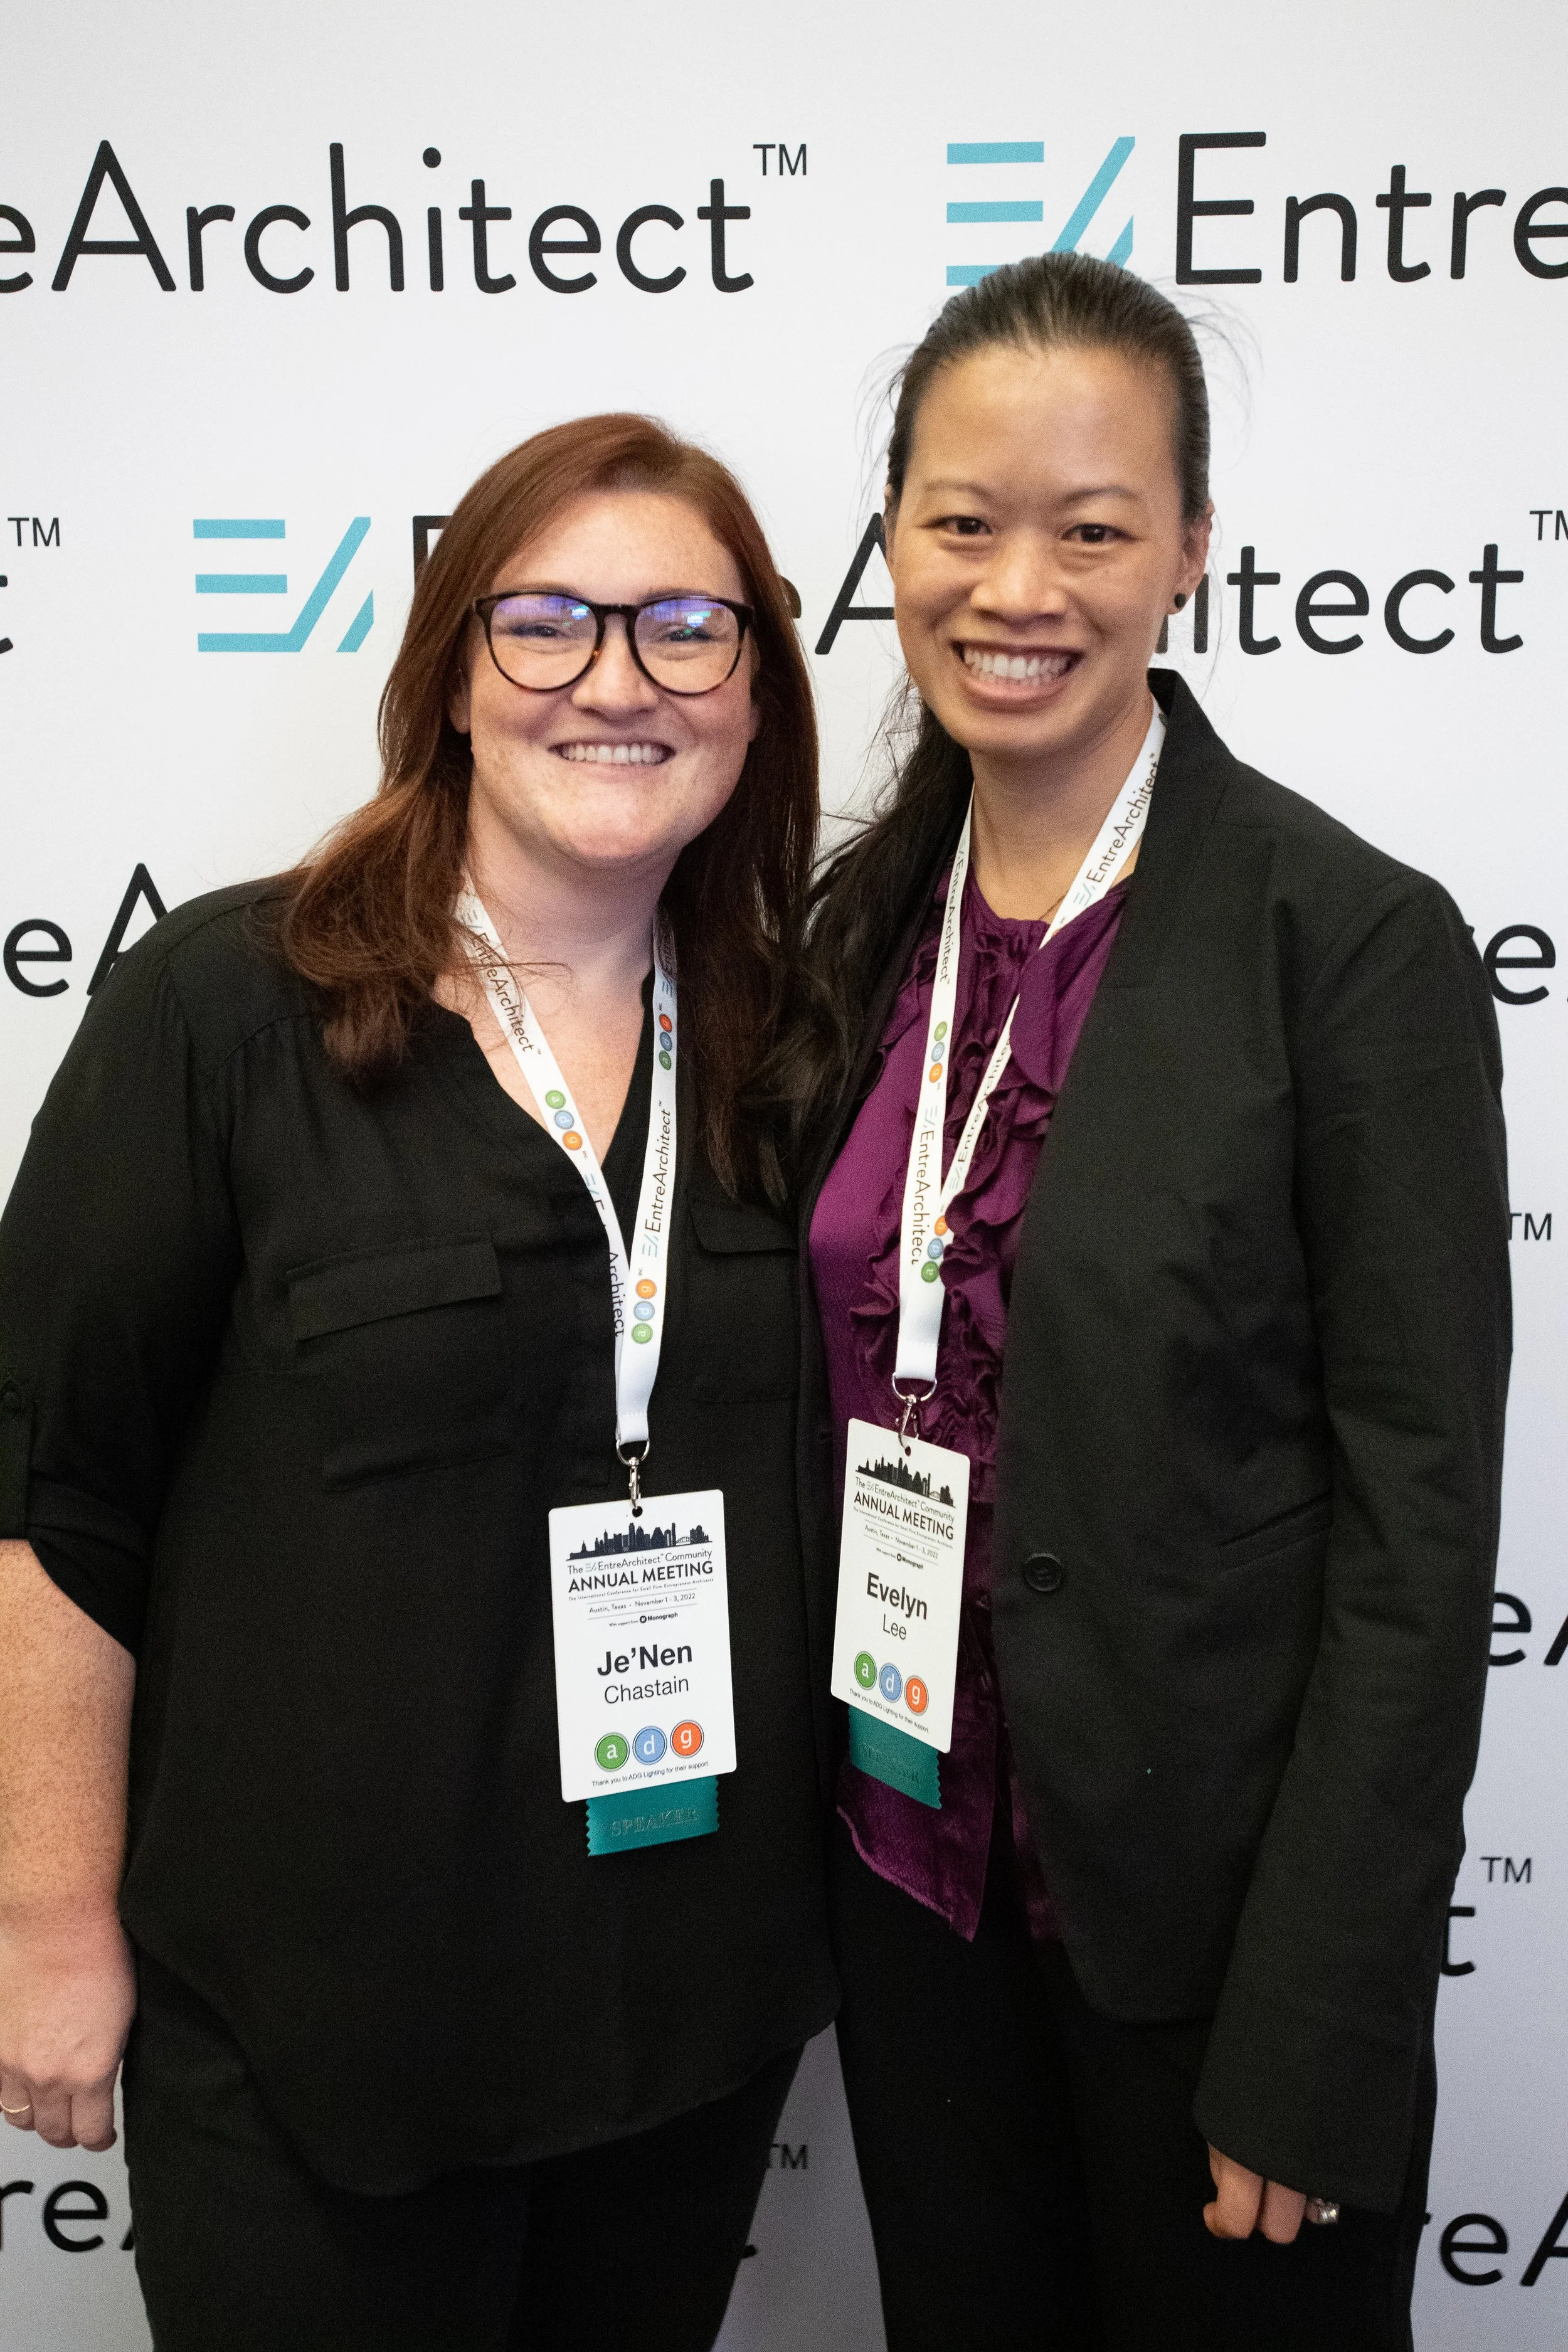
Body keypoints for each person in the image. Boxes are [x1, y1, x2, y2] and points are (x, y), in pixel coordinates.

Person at [0, 412, 835, 2352]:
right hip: (317, 2036)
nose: (615, 679)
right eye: (546, 622)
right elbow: (56, 1494)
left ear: (752, 693)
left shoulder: (797, 1047)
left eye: (685, 629)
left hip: (677, 2014)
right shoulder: (223, 1011)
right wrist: (49, 1919)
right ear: (454, 675)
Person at [792, 253, 1510, 2351]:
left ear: (1190, 550)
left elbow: (1415, 1529)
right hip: (910, 1895)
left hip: (1208, 1960)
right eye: (959, 520)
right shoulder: (857, 932)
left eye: (1091, 527)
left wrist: (1315, 2030)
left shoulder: (1344, 944)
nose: (1018, 584)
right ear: (894, 540)